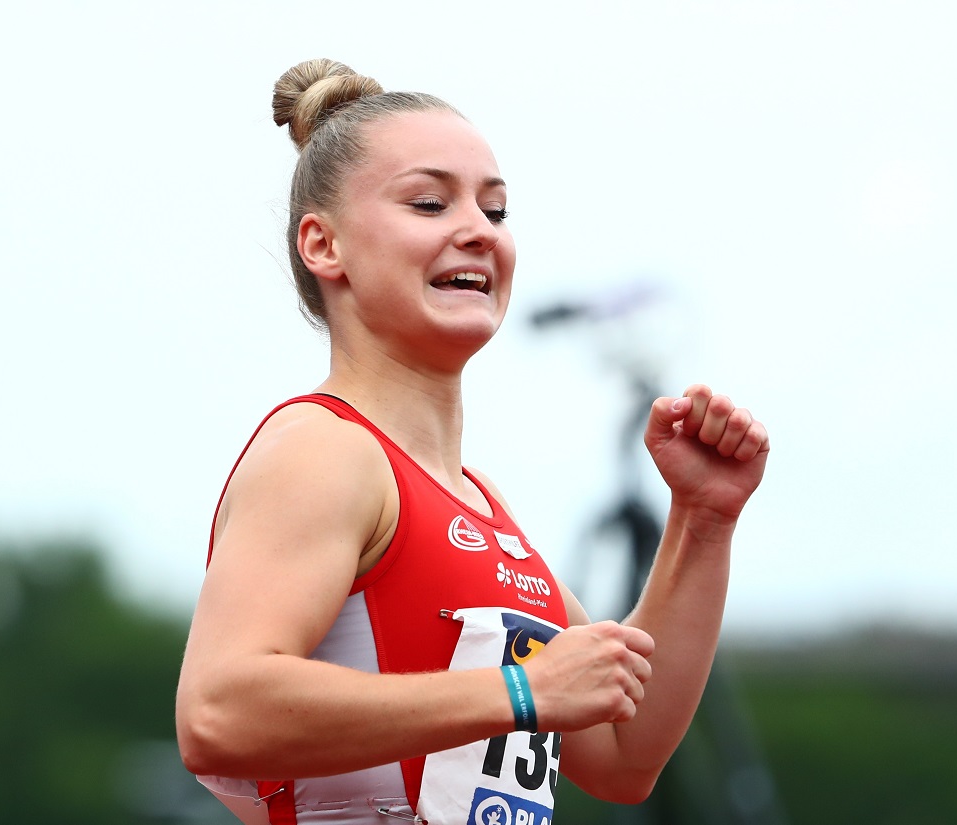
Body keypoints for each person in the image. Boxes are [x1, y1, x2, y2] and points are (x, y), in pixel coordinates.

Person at [175, 58, 769, 825]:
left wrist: (701, 517)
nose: (474, 233)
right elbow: (218, 713)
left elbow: (624, 753)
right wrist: (518, 692)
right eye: (428, 203)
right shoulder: (324, 450)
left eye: (495, 212)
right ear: (324, 245)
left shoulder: (480, 505)